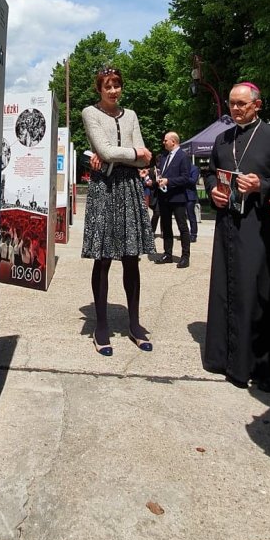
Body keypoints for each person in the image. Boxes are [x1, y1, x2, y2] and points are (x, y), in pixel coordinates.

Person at [203, 83, 270, 391]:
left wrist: (263, 185)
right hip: (228, 226)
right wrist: (212, 191)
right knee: (228, 290)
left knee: (257, 296)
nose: (235, 109)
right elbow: (209, 173)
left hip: (263, 230)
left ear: (257, 106)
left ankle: (264, 367)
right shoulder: (222, 139)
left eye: (242, 104)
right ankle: (226, 359)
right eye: (231, 103)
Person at [82, 66, 154, 356]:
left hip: (129, 189)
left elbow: (138, 155)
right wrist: (134, 155)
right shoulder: (91, 113)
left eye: (117, 85)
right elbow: (109, 151)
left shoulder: (132, 115)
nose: (113, 91)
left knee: (131, 257)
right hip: (105, 189)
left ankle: (134, 324)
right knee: (103, 259)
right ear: (99, 89)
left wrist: (125, 155)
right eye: (107, 86)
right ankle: (101, 326)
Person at [154, 132, 193, 268]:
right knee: (166, 226)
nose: (163, 142)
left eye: (165, 140)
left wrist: (169, 181)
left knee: (182, 227)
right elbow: (161, 173)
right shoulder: (164, 157)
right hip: (164, 197)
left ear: (173, 142)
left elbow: (185, 177)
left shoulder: (183, 156)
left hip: (177, 197)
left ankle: (185, 256)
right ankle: (167, 254)